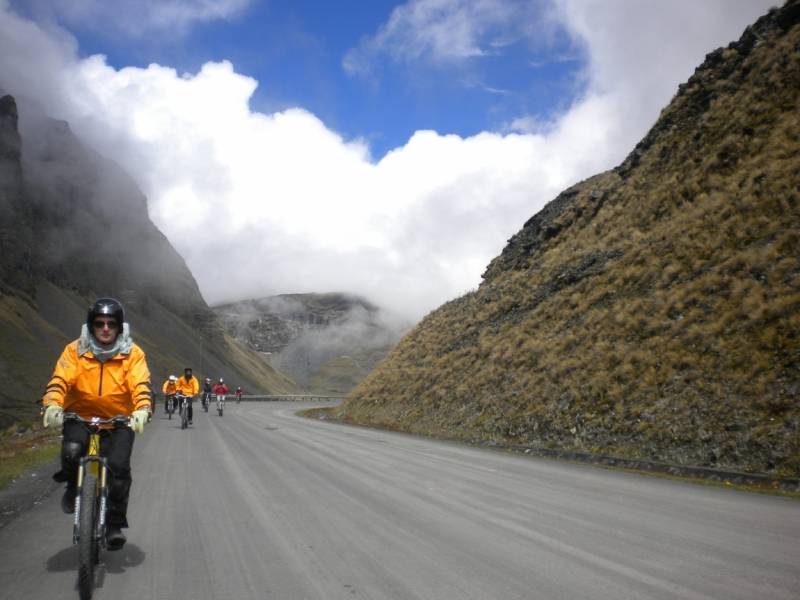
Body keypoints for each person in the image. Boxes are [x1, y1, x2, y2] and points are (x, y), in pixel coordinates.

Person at [41, 298, 151, 550]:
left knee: (119, 470)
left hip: (119, 421)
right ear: (90, 325)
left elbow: (140, 384)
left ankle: (113, 525)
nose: (105, 328)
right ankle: (72, 484)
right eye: (99, 323)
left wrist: (143, 409)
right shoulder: (75, 350)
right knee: (72, 450)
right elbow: (60, 379)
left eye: (111, 324)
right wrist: (53, 404)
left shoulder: (133, 354)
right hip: (80, 417)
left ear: (119, 327)